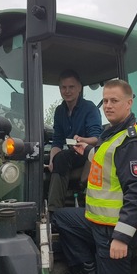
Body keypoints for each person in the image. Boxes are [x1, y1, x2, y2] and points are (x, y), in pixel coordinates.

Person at [53, 79, 137, 274]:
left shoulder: (132, 141)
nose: (108, 106)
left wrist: (122, 238)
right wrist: (85, 151)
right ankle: (87, 269)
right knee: (62, 218)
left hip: (114, 230)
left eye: (115, 101)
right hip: (97, 222)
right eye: (105, 101)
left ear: (129, 103)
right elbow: (105, 161)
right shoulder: (113, 135)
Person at [47, 69, 102, 213]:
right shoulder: (60, 111)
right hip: (70, 154)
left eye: (71, 87)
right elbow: (57, 141)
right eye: (63, 87)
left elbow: (96, 139)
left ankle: (54, 211)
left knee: (63, 157)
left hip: (88, 153)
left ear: (79, 88)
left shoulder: (89, 109)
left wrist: (82, 140)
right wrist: (52, 160)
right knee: (44, 158)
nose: (67, 91)